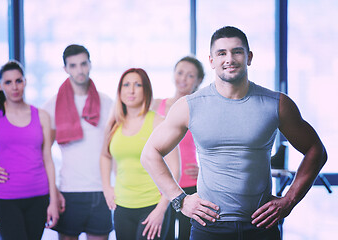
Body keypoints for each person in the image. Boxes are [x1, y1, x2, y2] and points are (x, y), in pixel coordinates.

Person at [141, 26, 327, 240]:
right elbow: (150, 154)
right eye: (221, 53)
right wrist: (180, 200)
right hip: (208, 226)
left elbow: (316, 150)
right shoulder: (189, 106)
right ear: (211, 61)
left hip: (261, 225)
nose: (229, 58)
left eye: (237, 51)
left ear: (249, 57)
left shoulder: (276, 104)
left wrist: (290, 199)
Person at [0, 60, 59, 240]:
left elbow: (48, 159)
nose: (14, 87)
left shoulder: (42, 116)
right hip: (6, 201)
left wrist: (53, 201)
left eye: (18, 81)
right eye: (8, 82)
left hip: (39, 198)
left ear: (25, 82)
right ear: (0, 86)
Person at [100, 68, 180, 240]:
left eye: (138, 85)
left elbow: (174, 168)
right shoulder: (114, 124)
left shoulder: (158, 122)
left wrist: (161, 209)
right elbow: (105, 155)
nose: (131, 90)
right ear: (120, 91)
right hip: (122, 207)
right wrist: (106, 187)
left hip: (152, 206)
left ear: (146, 90)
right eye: (126, 85)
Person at [43, 44, 113, 240]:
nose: (79, 70)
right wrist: (54, 192)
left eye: (83, 64)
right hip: (69, 191)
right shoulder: (52, 105)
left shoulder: (107, 102)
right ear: (65, 69)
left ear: (90, 64)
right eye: (73, 66)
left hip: (102, 190)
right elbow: (43, 154)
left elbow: (114, 150)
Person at [150, 56, 204, 240]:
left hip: (189, 184)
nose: (183, 78)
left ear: (198, 81)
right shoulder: (156, 105)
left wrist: (204, 170)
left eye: (190, 75)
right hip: (161, 184)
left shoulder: (199, 110)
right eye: (180, 72)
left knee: (186, 236)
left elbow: (211, 145)